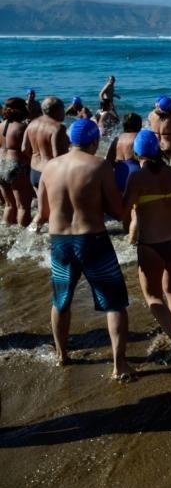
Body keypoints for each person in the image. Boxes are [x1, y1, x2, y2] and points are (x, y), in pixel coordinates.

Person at [33, 119, 131, 378]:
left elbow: (43, 213)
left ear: (70, 141)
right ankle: (119, 366)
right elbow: (117, 210)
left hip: (60, 243)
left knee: (61, 302)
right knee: (114, 304)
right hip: (93, 241)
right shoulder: (98, 166)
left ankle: (61, 355)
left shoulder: (50, 167)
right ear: (94, 142)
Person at [123, 130, 171, 357]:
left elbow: (122, 210)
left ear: (137, 154)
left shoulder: (136, 177)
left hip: (151, 244)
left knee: (153, 296)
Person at [22, 96, 68, 189]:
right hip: (50, 172)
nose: (65, 112)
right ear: (57, 110)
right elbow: (57, 155)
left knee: (41, 203)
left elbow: (24, 149)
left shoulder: (32, 124)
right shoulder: (58, 127)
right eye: (63, 108)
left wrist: (35, 158)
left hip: (34, 171)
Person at [0, 98, 33, 226]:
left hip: (0, 165)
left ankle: (7, 233)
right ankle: (21, 239)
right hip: (15, 165)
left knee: (9, 205)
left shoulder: (0, 126)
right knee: (23, 207)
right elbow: (27, 150)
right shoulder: (23, 128)